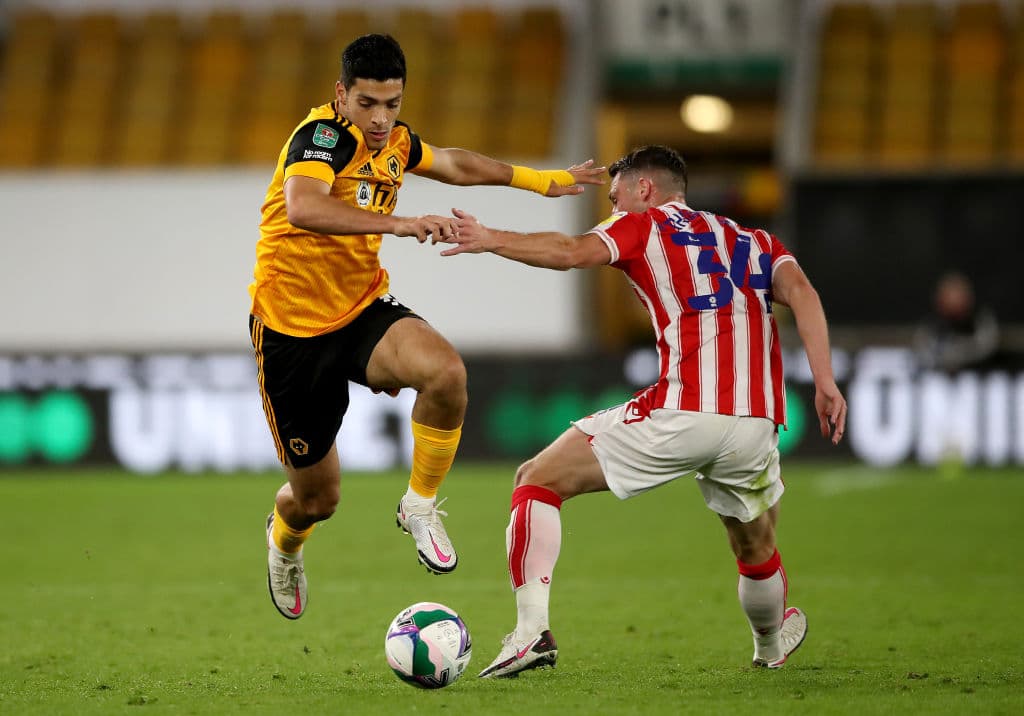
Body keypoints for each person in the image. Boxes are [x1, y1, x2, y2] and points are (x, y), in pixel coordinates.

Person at [438, 145, 847, 676]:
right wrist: (824, 381)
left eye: (615, 197)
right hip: (757, 419)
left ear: (645, 189)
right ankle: (770, 647)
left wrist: (489, 237)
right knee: (755, 541)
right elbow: (804, 293)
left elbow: (570, 251)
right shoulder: (755, 240)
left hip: (686, 408)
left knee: (536, 479)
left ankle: (530, 633)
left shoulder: (644, 224)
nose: (612, 207)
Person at [249, 33, 604, 620]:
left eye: (392, 104)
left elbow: (456, 164)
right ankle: (283, 542)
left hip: (360, 309)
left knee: (445, 373)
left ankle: (419, 504)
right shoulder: (321, 138)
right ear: (340, 94)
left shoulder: (395, 142)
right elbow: (304, 207)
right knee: (317, 501)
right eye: (367, 103)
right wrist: (400, 223)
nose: (380, 119)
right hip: (291, 332)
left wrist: (540, 181)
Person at [914, 271, 999, 374]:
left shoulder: (981, 319)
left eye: (958, 295)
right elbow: (925, 352)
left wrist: (957, 354)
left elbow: (986, 347)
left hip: (978, 375)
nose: (954, 300)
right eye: (949, 296)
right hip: (939, 377)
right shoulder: (931, 324)